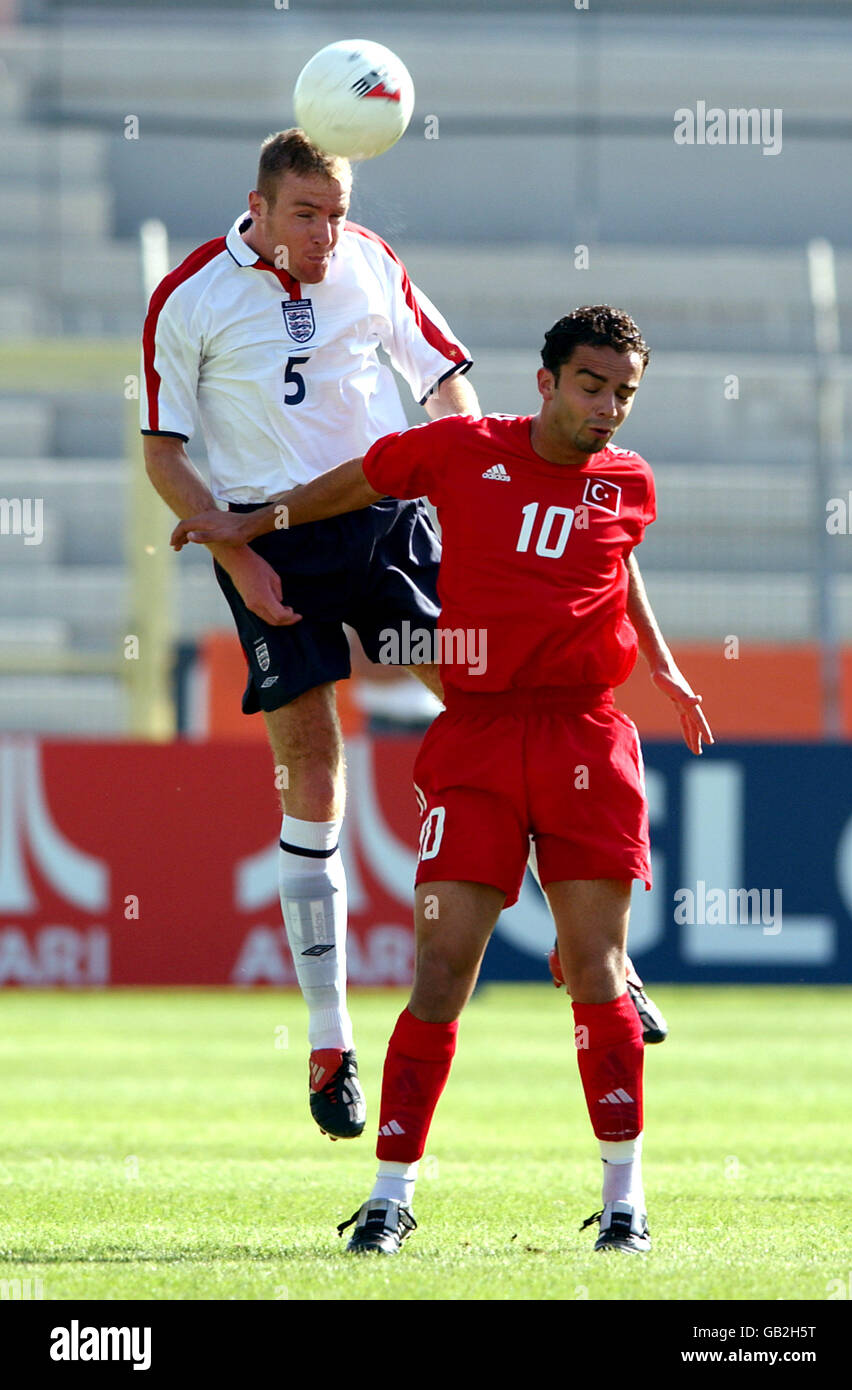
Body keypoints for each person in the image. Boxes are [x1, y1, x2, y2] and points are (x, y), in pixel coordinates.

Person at [172, 304, 714, 1255]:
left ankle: (624, 1204)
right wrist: (246, 526)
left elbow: (619, 567)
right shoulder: (459, 449)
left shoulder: (629, 481)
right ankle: (389, 1194)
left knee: (595, 971)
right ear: (545, 382)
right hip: (476, 738)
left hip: (587, 740)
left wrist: (662, 664)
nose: (609, 410)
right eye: (592, 386)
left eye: (625, 393)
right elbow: (349, 485)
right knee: (438, 972)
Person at [141, 129, 479, 1142]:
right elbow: (164, 452)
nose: (328, 234)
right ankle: (330, 1039)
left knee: (484, 697)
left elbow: (444, 379)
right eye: (306, 215)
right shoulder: (189, 294)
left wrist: (464, 473)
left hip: (377, 522)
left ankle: (595, 953)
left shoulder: (371, 260)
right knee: (312, 768)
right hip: (263, 541)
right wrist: (237, 558)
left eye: (336, 212)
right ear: (258, 204)